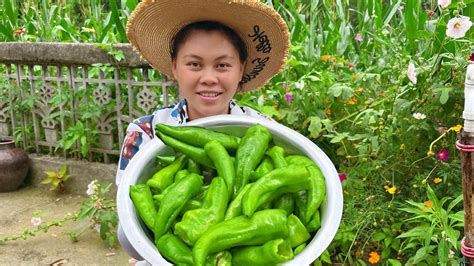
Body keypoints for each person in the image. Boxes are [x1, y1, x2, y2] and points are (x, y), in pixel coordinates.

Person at [116, 0, 290, 261]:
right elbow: (130, 227)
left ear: (241, 68)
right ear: (174, 67)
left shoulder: (265, 130)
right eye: (195, 64)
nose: (209, 77)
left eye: (222, 65)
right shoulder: (146, 132)